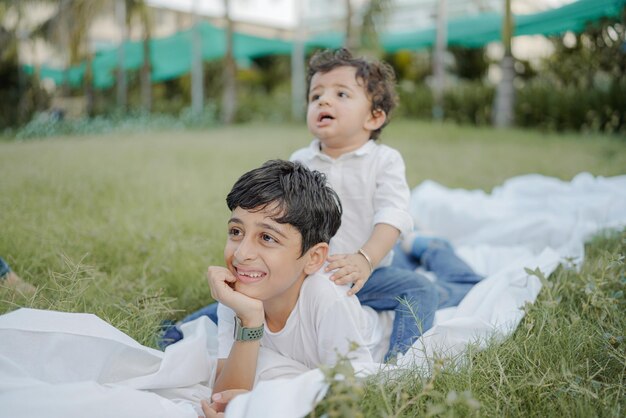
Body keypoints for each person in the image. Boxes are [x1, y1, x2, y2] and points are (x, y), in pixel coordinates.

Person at [290, 47, 483, 356]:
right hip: (310, 276)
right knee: (249, 294)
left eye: (341, 94)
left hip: (369, 270)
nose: (324, 101)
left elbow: (392, 214)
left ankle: (400, 365)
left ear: (374, 116)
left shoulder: (384, 160)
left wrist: (365, 260)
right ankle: (181, 329)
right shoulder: (299, 161)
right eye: (316, 96)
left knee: (422, 288)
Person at [202, 160, 387, 414]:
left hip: (386, 333)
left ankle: (425, 248)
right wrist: (251, 320)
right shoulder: (236, 296)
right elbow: (223, 398)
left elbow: (352, 394)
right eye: (236, 231)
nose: (242, 254)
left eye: (267, 238)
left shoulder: (325, 297)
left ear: (313, 258)